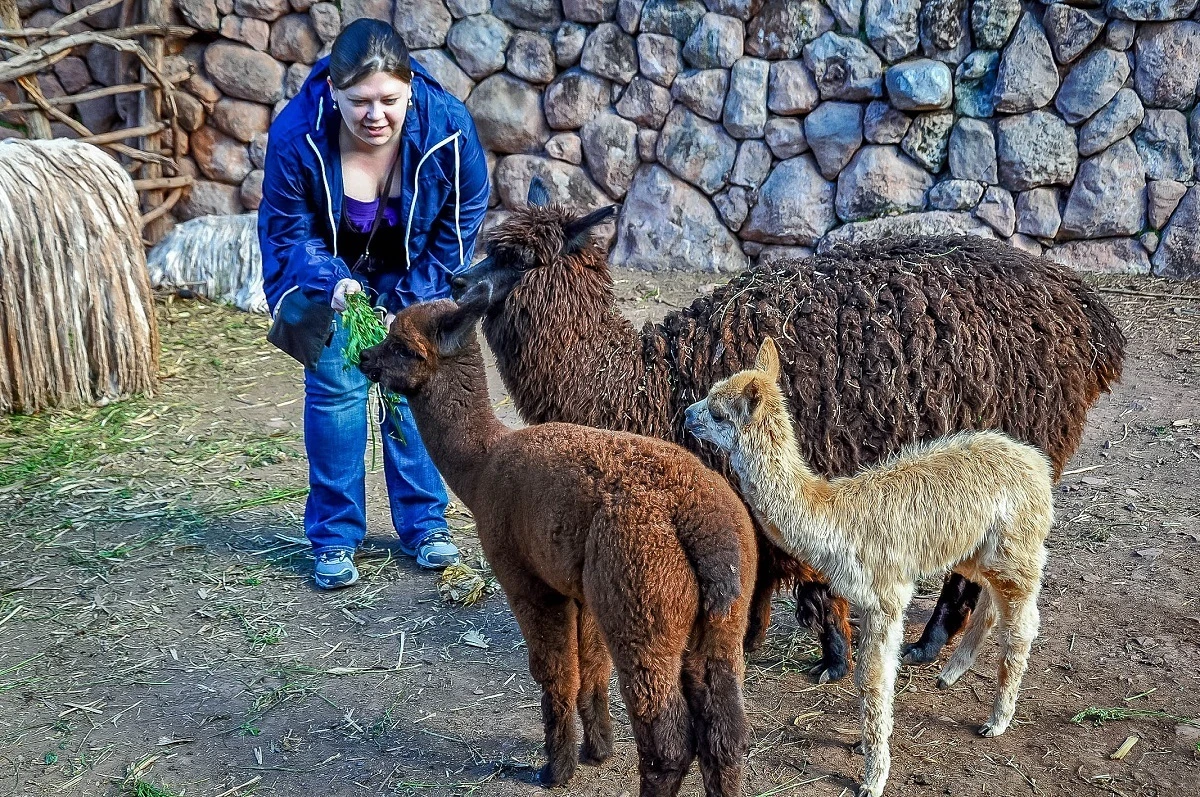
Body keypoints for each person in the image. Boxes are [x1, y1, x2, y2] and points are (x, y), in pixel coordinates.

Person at [258, 18, 489, 588]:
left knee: (412, 379)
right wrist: (330, 279)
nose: (376, 114)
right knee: (336, 379)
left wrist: (408, 304)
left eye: (390, 99)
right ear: (333, 92)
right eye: (359, 101)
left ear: (411, 87)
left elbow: (463, 216)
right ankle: (335, 537)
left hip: (413, 273)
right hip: (336, 279)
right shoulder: (296, 134)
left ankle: (426, 524)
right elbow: (288, 231)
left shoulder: (449, 128)